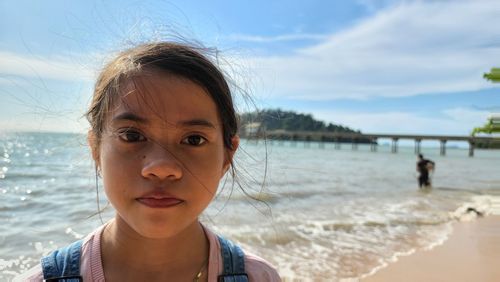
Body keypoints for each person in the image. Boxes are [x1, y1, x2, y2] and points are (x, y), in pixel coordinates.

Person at [15, 42, 280, 281]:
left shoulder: (259, 277)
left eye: (194, 140)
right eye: (132, 135)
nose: (161, 167)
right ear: (95, 147)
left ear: (227, 156)